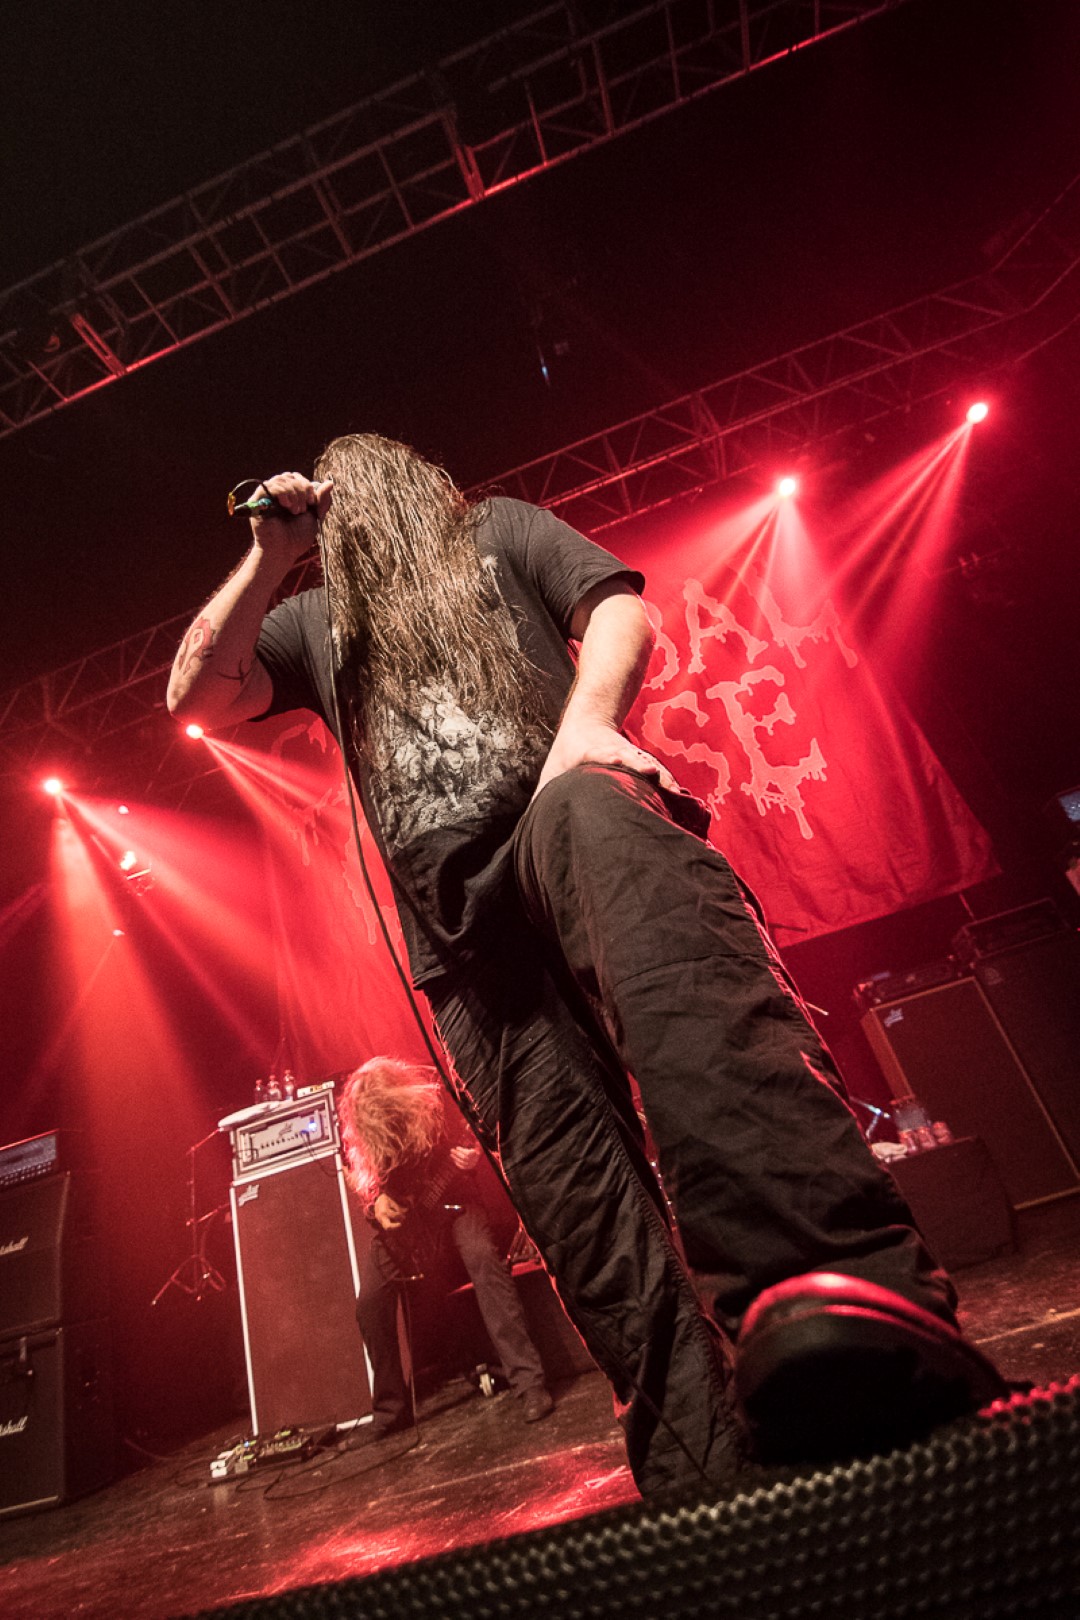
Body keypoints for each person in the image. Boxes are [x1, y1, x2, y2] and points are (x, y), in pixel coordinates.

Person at [167, 435, 1007, 1499]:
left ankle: (837, 1298)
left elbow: (620, 611)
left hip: (572, 830)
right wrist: (270, 555)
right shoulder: (320, 621)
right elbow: (197, 699)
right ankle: (700, 1462)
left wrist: (587, 729)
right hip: (466, 946)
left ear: (405, 485)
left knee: (691, 1009)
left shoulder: (498, 529)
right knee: (579, 1201)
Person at [338, 1056, 553, 1435]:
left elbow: (483, 1141)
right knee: (369, 1301)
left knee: (482, 1257)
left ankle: (529, 1382)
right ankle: (390, 1410)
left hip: (457, 1206)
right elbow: (366, 1185)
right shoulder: (367, 1133)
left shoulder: (438, 1105)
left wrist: (474, 1158)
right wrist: (376, 1205)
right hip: (411, 1224)